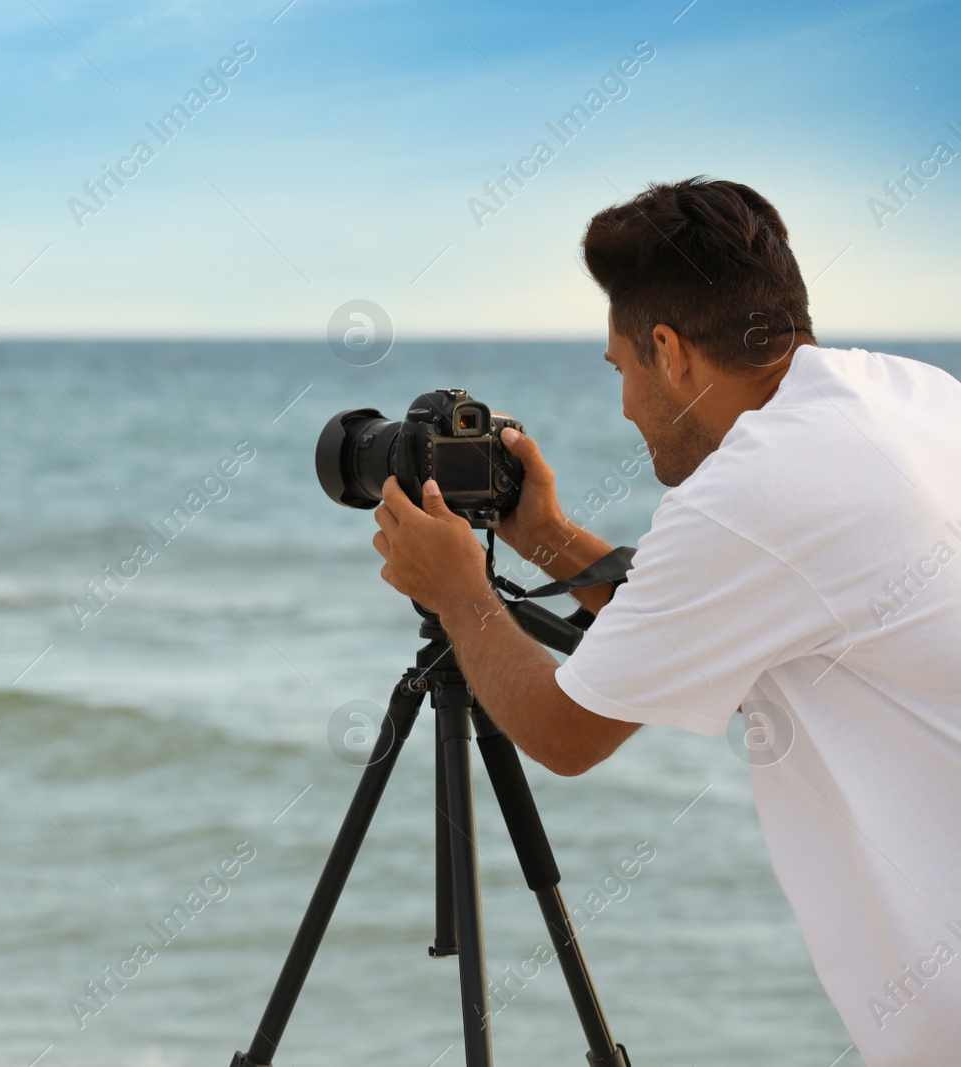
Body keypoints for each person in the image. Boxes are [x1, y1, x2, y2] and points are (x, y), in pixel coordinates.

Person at [368, 177, 961, 1065]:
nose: (625, 406)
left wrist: (459, 593)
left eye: (622, 369)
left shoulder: (751, 492)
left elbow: (566, 732)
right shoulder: (914, 395)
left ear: (670, 352)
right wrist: (554, 541)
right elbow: (737, 605)